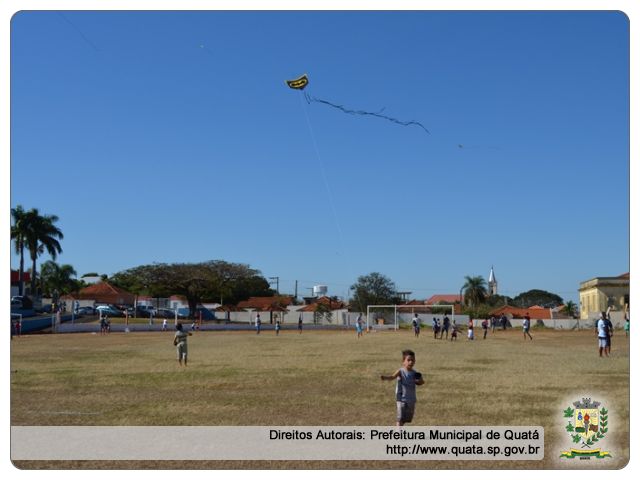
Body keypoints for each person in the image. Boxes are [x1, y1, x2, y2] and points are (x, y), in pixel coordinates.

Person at [380, 349, 424, 426]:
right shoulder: (401, 371)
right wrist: (385, 377)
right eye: (408, 360)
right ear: (403, 361)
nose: (410, 362)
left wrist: (418, 380)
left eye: (412, 360)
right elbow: (392, 377)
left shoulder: (415, 373)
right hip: (401, 399)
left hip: (411, 399)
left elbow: (421, 382)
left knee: (405, 419)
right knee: (399, 418)